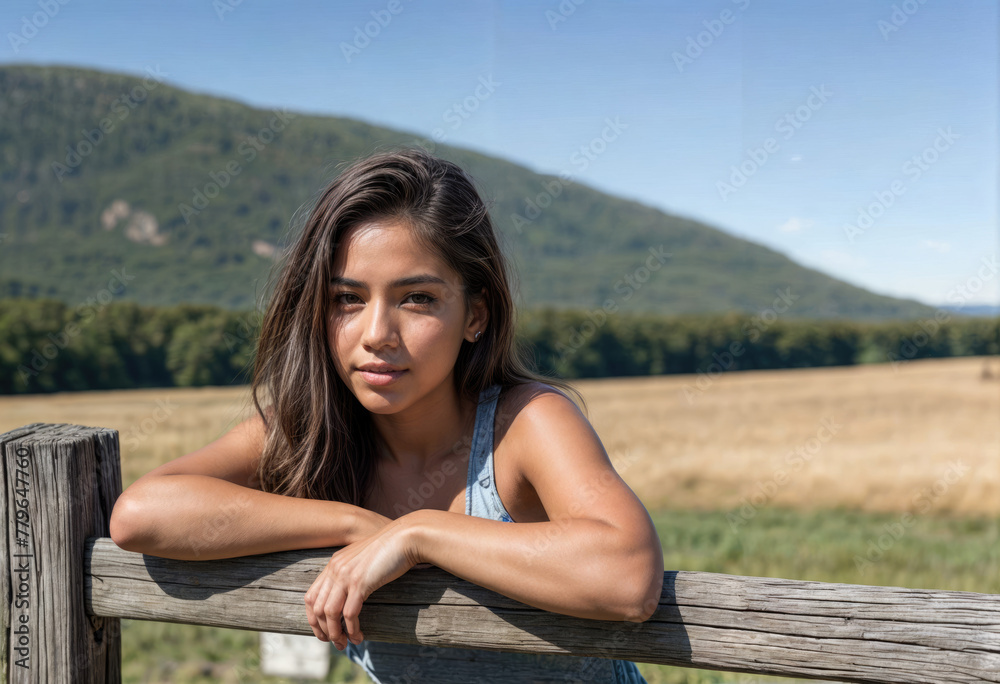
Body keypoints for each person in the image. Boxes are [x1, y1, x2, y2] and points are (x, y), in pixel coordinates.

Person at [109, 147, 663, 683]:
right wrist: (352, 525)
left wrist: (416, 533)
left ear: (476, 314)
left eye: (416, 298)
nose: (376, 334)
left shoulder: (526, 424)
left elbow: (628, 577)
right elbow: (140, 514)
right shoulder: (306, 434)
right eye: (347, 299)